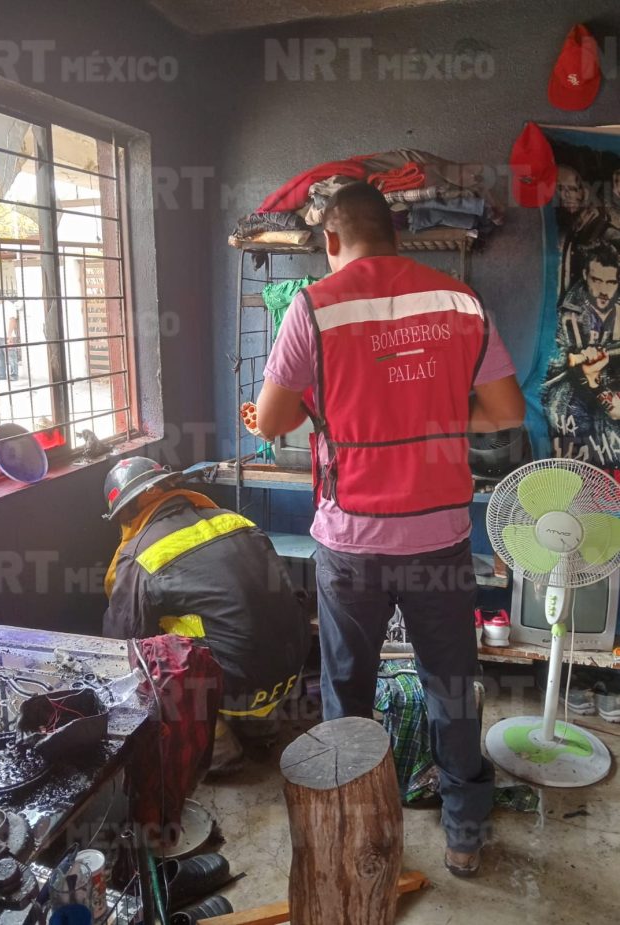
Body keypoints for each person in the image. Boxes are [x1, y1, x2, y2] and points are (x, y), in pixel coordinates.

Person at [254, 182, 525, 877]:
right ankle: (465, 836)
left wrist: (318, 406)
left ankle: (352, 829)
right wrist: (437, 415)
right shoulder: (458, 301)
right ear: (397, 236)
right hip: (440, 538)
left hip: (351, 545)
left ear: (331, 240)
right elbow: (505, 413)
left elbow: (275, 420)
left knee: (348, 691)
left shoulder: (313, 307)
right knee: (451, 685)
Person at [102, 457, 311, 770]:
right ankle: (261, 726)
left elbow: (122, 638)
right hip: (294, 662)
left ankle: (217, 749)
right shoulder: (235, 520)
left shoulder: (140, 554)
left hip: (238, 681)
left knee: (149, 655)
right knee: (234, 618)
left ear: (126, 512)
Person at [545, 241, 620, 463]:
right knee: (571, 416)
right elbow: (554, 362)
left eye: (611, 282)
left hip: (608, 385)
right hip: (574, 392)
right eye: (597, 280)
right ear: (586, 275)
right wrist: (576, 360)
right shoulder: (566, 314)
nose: (604, 291)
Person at [0, 290, 19, 381]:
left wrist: (9, 335)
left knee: (11, 357)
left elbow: (12, 320)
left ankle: (14, 375)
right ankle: (1, 375)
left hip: (8, 336)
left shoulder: (9, 305)